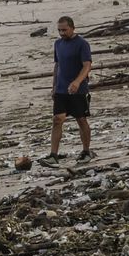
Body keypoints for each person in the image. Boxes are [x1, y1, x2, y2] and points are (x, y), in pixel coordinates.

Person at [47, 15, 93, 162]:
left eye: (64, 30)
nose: (62, 33)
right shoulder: (57, 44)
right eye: (59, 30)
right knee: (57, 119)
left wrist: (77, 82)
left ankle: (86, 151)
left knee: (81, 119)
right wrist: (54, 86)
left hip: (78, 90)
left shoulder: (82, 44)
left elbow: (87, 65)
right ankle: (53, 155)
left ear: (73, 28)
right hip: (61, 89)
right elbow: (57, 65)